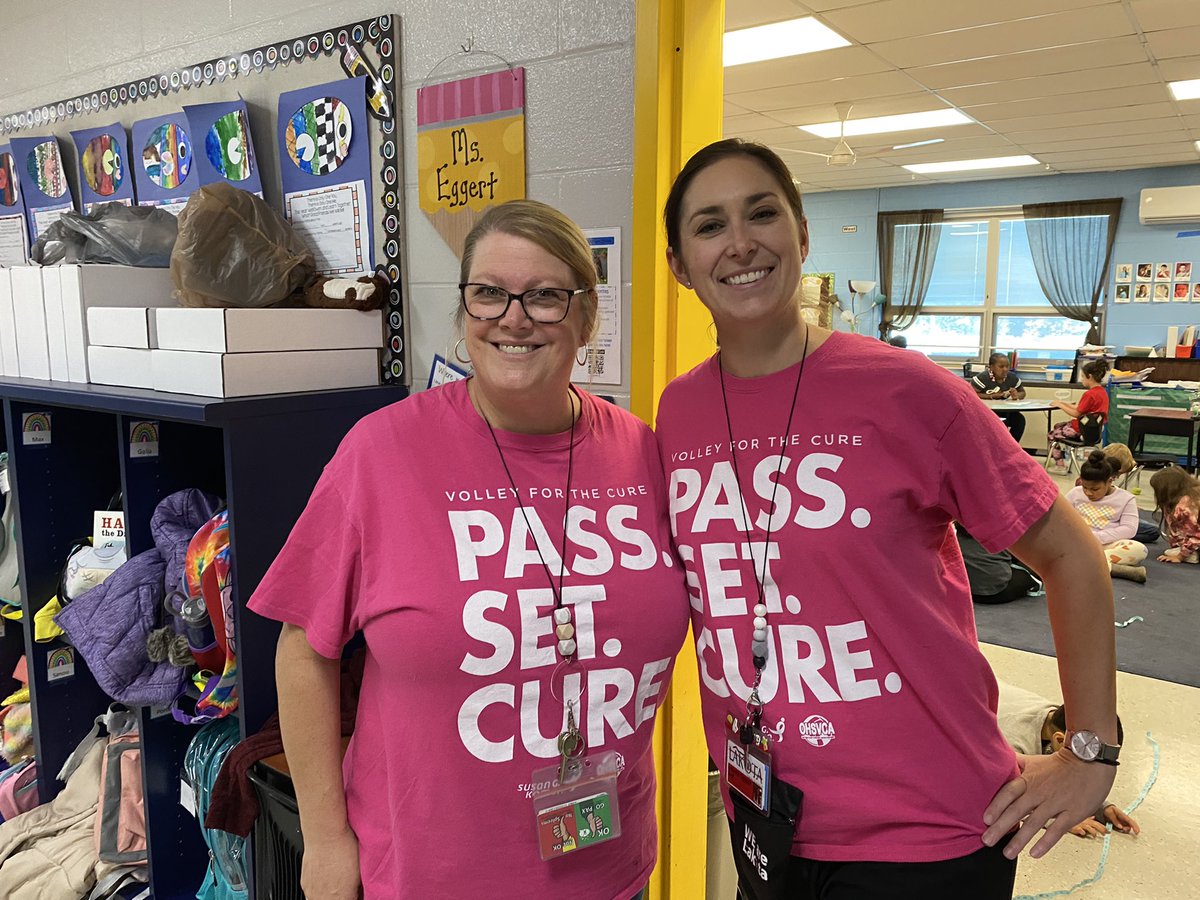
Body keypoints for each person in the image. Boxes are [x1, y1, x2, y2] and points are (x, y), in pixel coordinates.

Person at [656, 138, 1118, 899]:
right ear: (679, 264)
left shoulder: (908, 392)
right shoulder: (679, 411)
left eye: (762, 213)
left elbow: (1072, 556)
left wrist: (1091, 752)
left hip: (923, 832)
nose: (739, 242)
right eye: (710, 225)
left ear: (802, 235)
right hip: (766, 816)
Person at [249, 200, 690, 900]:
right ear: (464, 311)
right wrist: (327, 841)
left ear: (586, 318)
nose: (514, 318)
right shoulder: (381, 452)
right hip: (430, 873)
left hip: (609, 870)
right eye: (489, 293)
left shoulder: (642, 452)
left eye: (545, 296)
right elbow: (304, 649)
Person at [996, 681, 1139, 840]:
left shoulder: (1066, 720)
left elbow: (1063, 772)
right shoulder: (1012, 744)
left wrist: (1099, 806)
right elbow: (1004, 798)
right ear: (1059, 741)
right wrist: (1058, 820)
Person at [1066, 450, 1148, 582]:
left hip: (1106, 544)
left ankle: (1087, 563)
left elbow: (1129, 529)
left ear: (1109, 481)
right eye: (1085, 487)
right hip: (1077, 542)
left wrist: (1096, 537)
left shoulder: (1126, 498)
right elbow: (1062, 518)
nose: (1088, 493)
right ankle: (1112, 568)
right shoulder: (1075, 493)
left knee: (1139, 549)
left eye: (1095, 489)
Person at [956, 523, 1042, 604]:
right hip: (997, 592)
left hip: (968, 592)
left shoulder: (959, 528)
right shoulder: (1002, 527)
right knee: (1036, 570)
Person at [1047, 359, 1110, 470]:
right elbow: (1081, 409)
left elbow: (1076, 413)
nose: (1081, 379)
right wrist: (1063, 403)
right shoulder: (1102, 392)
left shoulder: (1089, 394)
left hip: (1081, 430)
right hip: (1095, 431)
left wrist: (1060, 405)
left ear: (1089, 376)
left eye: (1082, 376)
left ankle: (1059, 464)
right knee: (1058, 425)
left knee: (1052, 434)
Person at [1149, 465, 1200, 563]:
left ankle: (1192, 553)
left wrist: (1180, 556)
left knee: (1173, 553)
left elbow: (1197, 535)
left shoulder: (1184, 507)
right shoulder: (1191, 495)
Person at [971, 351, 1027, 441]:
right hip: (986, 412)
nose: (1005, 369)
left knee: (1019, 420)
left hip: (1006, 411)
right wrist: (992, 396)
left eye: (1007, 366)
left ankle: (1011, 445)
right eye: (1001, 367)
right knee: (1000, 423)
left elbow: (1022, 392)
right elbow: (972, 394)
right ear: (991, 367)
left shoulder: (1012, 378)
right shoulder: (982, 378)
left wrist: (1016, 395)